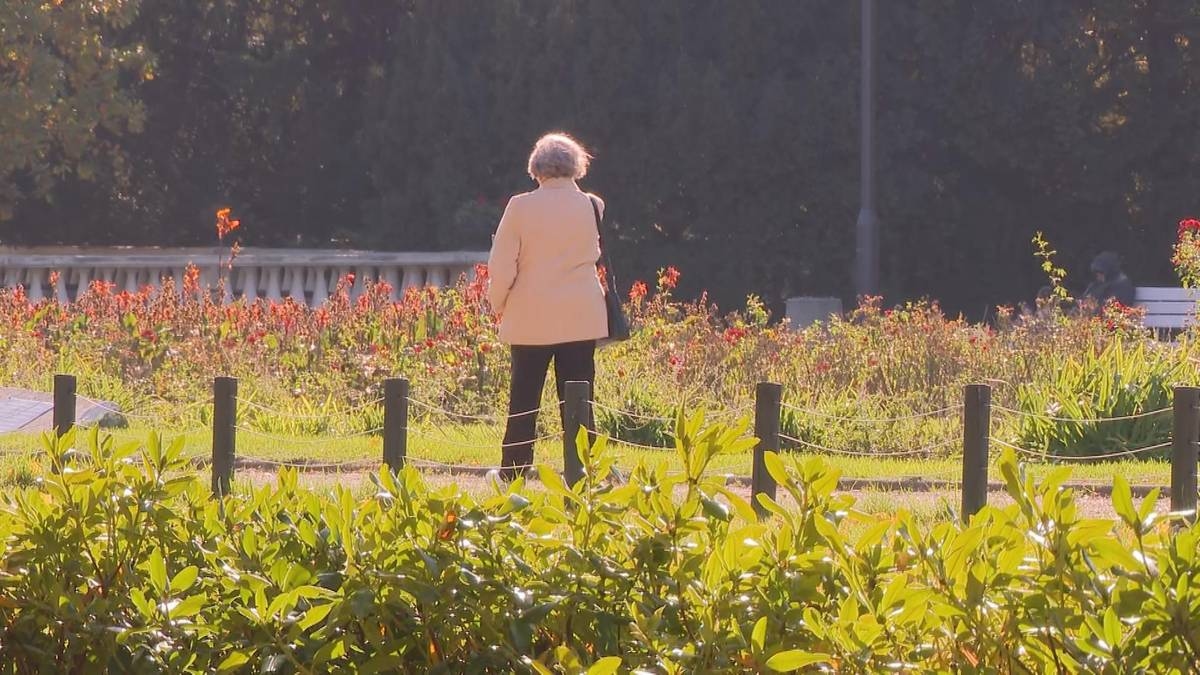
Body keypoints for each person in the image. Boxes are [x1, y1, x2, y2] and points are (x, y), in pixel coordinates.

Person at [487, 133, 608, 479]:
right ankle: (584, 471)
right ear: (576, 167)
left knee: (524, 398)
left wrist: (498, 304)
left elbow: (503, 264)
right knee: (580, 399)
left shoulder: (520, 206)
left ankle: (514, 469)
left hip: (530, 315)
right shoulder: (592, 205)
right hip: (581, 315)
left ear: (536, 168)